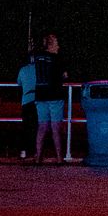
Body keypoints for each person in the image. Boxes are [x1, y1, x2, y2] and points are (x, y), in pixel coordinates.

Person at [33, 33, 69, 165]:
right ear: (51, 45)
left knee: (42, 127)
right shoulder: (57, 58)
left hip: (40, 95)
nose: (58, 46)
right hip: (54, 95)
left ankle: (38, 158)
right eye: (57, 43)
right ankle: (59, 158)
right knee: (55, 127)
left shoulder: (37, 58)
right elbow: (64, 75)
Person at [17, 51, 37, 160]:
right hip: (38, 101)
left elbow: (19, 82)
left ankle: (23, 151)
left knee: (26, 126)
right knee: (36, 127)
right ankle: (35, 151)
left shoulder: (23, 70)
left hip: (26, 100)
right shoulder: (39, 70)